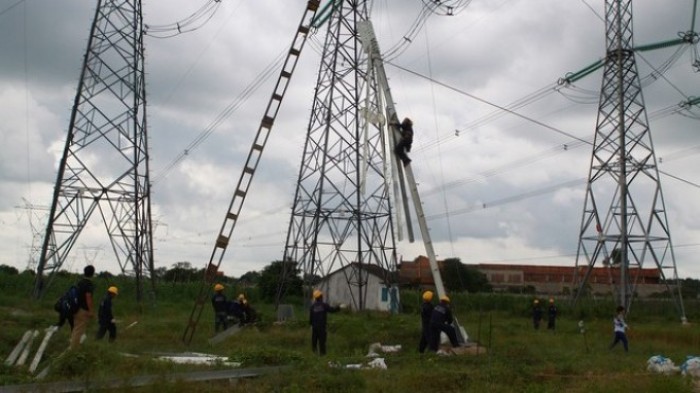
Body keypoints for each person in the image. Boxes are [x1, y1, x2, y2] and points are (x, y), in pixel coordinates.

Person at [70, 265, 95, 350]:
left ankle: (74, 346)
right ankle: (73, 349)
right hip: (83, 310)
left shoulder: (79, 282)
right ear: (92, 273)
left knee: (76, 328)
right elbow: (88, 297)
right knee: (79, 330)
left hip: (75, 308)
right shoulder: (88, 284)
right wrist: (91, 310)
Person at [309, 289, 340, 356]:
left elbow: (311, 318)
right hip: (322, 327)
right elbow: (332, 310)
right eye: (321, 295)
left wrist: (311, 325)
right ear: (320, 297)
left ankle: (314, 355)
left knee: (314, 342)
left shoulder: (312, 306)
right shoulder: (324, 305)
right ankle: (322, 356)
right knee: (322, 342)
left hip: (314, 327)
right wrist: (339, 308)